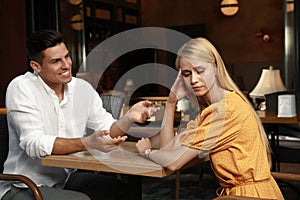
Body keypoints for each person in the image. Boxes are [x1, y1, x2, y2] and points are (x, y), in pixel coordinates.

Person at [0, 29, 155, 200]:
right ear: (36, 67)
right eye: (56, 61)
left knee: (121, 191)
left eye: (66, 57)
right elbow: (34, 144)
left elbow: (107, 129)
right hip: (22, 185)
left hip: (63, 179)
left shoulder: (81, 88)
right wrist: (87, 143)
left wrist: (128, 118)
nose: (66, 65)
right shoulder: (22, 87)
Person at [136, 37, 284, 199]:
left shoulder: (226, 109)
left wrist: (148, 152)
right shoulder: (209, 111)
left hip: (250, 196)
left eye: (200, 71)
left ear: (215, 68)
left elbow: (172, 162)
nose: (193, 80)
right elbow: (169, 152)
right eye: (187, 74)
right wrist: (171, 103)